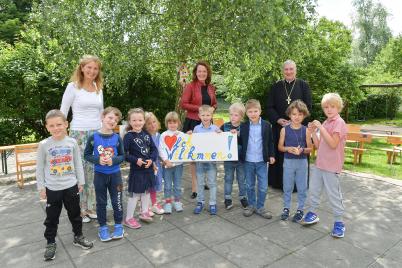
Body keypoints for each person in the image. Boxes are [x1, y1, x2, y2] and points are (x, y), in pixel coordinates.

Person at [36, 110, 93, 261]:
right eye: (52, 125)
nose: (56, 128)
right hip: (53, 189)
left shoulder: (72, 142)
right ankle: (50, 242)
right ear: (47, 127)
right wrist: (41, 187)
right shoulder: (43, 145)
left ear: (66, 124)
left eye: (59, 124)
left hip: (71, 186)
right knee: (51, 218)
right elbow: (40, 168)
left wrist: (81, 181)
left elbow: (77, 164)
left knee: (75, 214)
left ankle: (78, 236)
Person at [60, 55, 104, 222]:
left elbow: (101, 113)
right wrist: (61, 136)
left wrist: (104, 133)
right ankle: (80, 208)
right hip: (78, 133)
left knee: (94, 172)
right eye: (89, 67)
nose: (92, 71)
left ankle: (91, 206)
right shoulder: (73, 87)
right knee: (80, 171)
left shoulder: (98, 87)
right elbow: (63, 112)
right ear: (82, 68)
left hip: (96, 134)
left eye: (95, 68)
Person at [301, 93, 347, 238]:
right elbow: (319, 145)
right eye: (326, 107)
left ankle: (339, 222)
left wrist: (320, 127)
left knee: (334, 195)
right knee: (314, 190)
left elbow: (333, 144)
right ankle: (313, 213)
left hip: (332, 166)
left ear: (338, 107)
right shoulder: (326, 123)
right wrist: (313, 132)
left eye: (332, 106)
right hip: (320, 164)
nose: (329, 109)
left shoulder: (339, 122)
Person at [266, 60, 312, 190]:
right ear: (283, 71)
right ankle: (278, 183)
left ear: (295, 70)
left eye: (291, 69)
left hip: (298, 127)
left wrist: (296, 120)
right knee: (280, 154)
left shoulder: (303, 86)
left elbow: (308, 106)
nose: (289, 72)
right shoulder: (276, 86)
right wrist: (278, 119)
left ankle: (298, 185)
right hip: (280, 126)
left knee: (297, 152)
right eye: (286, 69)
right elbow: (269, 107)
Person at [84, 107, 125, 242]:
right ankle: (103, 228)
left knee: (117, 201)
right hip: (99, 176)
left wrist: (113, 160)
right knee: (101, 203)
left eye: (116, 119)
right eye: (110, 118)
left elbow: (122, 156)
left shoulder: (117, 138)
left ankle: (119, 225)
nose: (113, 121)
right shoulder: (93, 137)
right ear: (102, 117)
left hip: (116, 176)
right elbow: (87, 155)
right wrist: (98, 160)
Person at [180, 61, 217, 199]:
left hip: (208, 123)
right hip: (193, 122)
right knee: (194, 157)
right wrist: (201, 109)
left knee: (206, 153)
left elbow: (214, 103)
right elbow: (183, 104)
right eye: (199, 71)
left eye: (204, 71)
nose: (202, 73)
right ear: (196, 72)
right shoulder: (190, 86)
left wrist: (213, 108)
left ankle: (205, 181)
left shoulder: (211, 87)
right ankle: (195, 186)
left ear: (207, 73)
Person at [240, 99, 275, 218]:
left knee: (263, 186)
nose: (253, 114)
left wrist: (271, 155)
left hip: (261, 161)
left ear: (260, 111)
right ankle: (251, 205)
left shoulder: (266, 125)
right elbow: (240, 142)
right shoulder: (243, 126)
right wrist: (235, 133)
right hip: (248, 161)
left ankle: (260, 207)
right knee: (249, 185)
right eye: (250, 111)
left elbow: (270, 141)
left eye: (255, 111)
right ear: (246, 113)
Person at [278, 100, 313, 222]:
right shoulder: (284, 130)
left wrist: (302, 150)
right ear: (289, 115)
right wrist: (289, 149)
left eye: (300, 114)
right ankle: (286, 208)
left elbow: (311, 148)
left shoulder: (306, 130)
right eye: (294, 114)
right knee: (287, 186)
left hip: (302, 162)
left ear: (304, 115)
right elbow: (280, 147)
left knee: (302, 187)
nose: (297, 117)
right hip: (288, 162)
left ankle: (300, 209)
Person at [123, 108, 158, 229]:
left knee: (147, 191)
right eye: (134, 120)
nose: (137, 122)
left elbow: (154, 149)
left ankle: (144, 212)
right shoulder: (128, 136)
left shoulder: (146, 134)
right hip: (137, 171)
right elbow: (124, 154)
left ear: (144, 121)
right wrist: (135, 160)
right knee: (135, 194)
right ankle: (128, 218)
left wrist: (151, 160)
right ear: (130, 121)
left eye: (140, 120)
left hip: (148, 169)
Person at [191, 105, 220, 215]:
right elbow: (192, 143)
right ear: (199, 116)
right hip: (199, 162)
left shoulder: (216, 129)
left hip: (211, 162)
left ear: (212, 116)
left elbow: (221, 142)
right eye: (203, 115)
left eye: (208, 115)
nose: (206, 117)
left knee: (212, 183)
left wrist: (220, 135)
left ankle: (212, 203)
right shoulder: (196, 129)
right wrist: (190, 136)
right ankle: (200, 202)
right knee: (200, 183)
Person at [220, 103, 248, 210]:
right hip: (228, 160)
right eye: (231, 114)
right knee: (228, 179)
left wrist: (238, 134)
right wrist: (218, 133)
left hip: (241, 159)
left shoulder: (245, 127)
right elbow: (219, 141)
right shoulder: (224, 126)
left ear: (241, 116)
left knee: (242, 179)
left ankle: (243, 197)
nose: (233, 117)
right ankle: (227, 198)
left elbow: (246, 142)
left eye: (236, 115)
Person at [159, 111, 186, 214]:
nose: (172, 124)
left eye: (174, 122)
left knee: (178, 185)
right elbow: (161, 149)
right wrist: (166, 161)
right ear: (167, 124)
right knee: (167, 185)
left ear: (178, 123)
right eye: (170, 122)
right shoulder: (163, 135)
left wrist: (189, 135)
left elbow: (187, 146)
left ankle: (177, 201)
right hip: (167, 165)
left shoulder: (182, 135)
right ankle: (168, 202)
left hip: (178, 165)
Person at [144, 112, 165, 215]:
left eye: (154, 122)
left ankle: (154, 204)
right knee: (147, 186)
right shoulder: (145, 137)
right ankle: (146, 207)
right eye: (149, 123)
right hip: (147, 165)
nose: (152, 125)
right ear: (145, 126)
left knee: (154, 185)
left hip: (157, 165)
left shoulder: (159, 136)